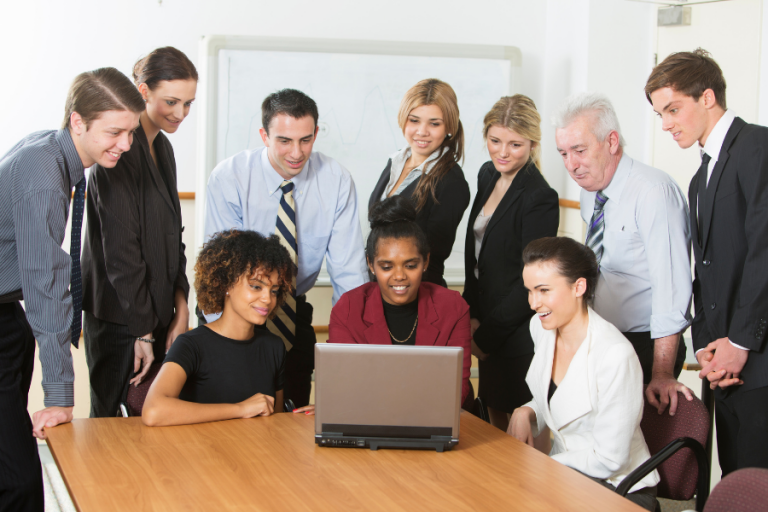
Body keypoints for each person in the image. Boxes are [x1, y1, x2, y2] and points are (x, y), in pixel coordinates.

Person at [0, 67, 144, 511]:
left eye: (132, 132)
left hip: (8, 315)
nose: (125, 144)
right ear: (78, 123)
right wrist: (61, 397)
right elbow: (46, 284)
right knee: (20, 481)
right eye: (115, 132)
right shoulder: (44, 171)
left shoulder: (52, 153)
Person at [204, 88, 368, 408]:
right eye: (284, 141)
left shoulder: (336, 181)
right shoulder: (230, 177)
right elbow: (222, 270)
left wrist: (349, 350)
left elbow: (349, 273)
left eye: (305, 140)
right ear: (264, 135)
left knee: (293, 426)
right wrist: (223, 345)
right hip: (233, 316)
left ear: (316, 133)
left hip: (292, 317)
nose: (296, 152)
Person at [646, 48, 768, 474]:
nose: (666, 124)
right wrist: (708, 349)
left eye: (673, 109)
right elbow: (709, 272)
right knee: (734, 480)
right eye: (661, 113)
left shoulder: (758, 146)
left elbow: (764, 251)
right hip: (726, 366)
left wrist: (740, 342)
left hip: (758, 356)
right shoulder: (700, 178)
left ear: (708, 97)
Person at [553, 92, 694, 416]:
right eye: (563, 153)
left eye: (579, 150)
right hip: (602, 339)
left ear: (611, 141)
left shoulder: (653, 192)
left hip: (646, 344)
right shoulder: (591, 192)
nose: (571, 165)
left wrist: (662, 371)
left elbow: (671, 287)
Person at [81, 47, 198, 418]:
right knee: (114, 431)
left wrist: (181, 307)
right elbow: (122, 256)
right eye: (171, 101)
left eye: (189, 103)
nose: (180, 113)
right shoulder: (116, 153)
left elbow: (173, 238)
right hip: (122, 324)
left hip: (157, 320)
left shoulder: (163, 147)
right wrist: (143, 331)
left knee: (153, 433)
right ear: (143, 92)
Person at [509, 237, 659, 511]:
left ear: (579, 286)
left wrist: (542, 467)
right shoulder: (541, 328)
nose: (533, 303)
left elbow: (610, 459)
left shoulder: (615, 355)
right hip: (565, 475)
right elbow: (561, 398)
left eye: (543, 290)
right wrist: (527, 411)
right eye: (529, 291)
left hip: (617, 488)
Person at [463, 95, 559, 431]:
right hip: (485, 323)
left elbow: (531, 282)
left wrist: (486, 338)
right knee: (492, 425)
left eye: (515, 144)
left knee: (516, 441)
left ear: (533, 143)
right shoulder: (487, 174)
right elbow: (477, 260)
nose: (503, 152)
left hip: (516, 337)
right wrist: (471, 316)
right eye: (495, 141)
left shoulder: (539, 197)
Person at [329, 196, 471, 403]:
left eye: (410, 265)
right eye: (386, 267)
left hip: (433, 418)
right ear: (370, 264)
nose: (399, 276)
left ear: (426, 262)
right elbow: (343, 386)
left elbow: (457, 389)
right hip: (368, 421)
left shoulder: (453, 307)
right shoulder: (349, 308)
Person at [142, 230, 292, 426]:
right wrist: (241, 409)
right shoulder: (191, 345)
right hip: (201, 452)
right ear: (226, 284)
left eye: (274, 291)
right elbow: (153, 411)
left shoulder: (274, 347)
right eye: (256, 286)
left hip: (256, 453)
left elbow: (275, 422)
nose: (267, 299)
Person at [369, 78, 470, 287]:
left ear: (449, 127)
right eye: (414, 120)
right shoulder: (395, 161)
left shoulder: (451, 182)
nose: (422, 131)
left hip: (416, 294)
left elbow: (434, 257)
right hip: (382, 290)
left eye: (434, 123)